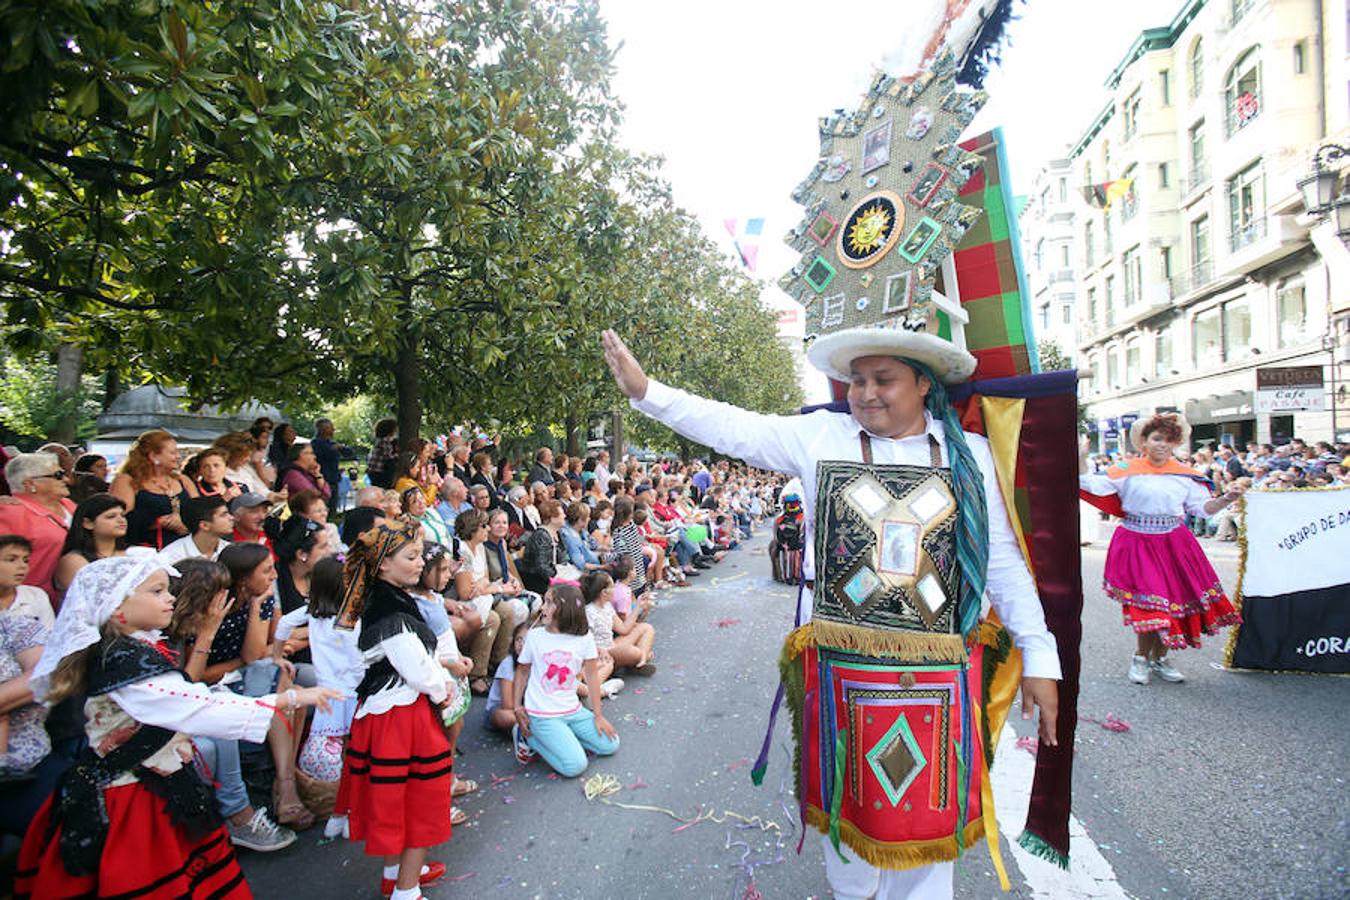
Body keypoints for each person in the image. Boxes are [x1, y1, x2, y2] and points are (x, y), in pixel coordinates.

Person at [603, 326, 1060, 897]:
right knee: (849, 820)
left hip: (938, 677)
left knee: (927, 829)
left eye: (883, 379)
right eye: (856, 380)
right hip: (842, 673)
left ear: (923, 383)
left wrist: (1041, 655)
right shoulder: (822, 436)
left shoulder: (969, 455)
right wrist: (648, 392)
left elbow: (1000, 563)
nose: (865, 392)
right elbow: (734, 427)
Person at [15, 555, 337, 898]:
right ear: (116, 608)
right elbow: (193, 705)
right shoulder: (124, 661)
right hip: (132, 795)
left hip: (157, 780)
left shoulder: (134, 649)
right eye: (156, 591)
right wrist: (289, 700)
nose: (170, 597)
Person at [334, 518, 454, 900]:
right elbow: (415, 667)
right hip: (403, 715)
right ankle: (406, 890)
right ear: (384, 563)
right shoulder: (389, 608)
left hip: (384, 710)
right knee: (420, 800)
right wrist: (443, 688)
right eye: (412, 556)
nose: (420, 563)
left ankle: (396, 872)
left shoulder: (378, 597)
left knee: (394, 797)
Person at [1079, 414, 1245, 684]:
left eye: (1169, 441)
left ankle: (1159, 659)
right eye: (1156, 439)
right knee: (1152, 604)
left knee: (1174, 604)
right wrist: (1082, 456)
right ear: (1144, 441)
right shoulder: (1125, 469)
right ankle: (1141, 658)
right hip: (1138, 542)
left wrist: (1227, 498)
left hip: (1174, 543)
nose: (1162, 445)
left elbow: (1201, 509)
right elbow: (1088, 484)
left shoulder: (1184, 475)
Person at [165, 559, 298, 853]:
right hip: (172, 715)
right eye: (220, 592)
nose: (227, 598)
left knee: (281, 675)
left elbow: (257, 654)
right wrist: (208, 633)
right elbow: (189, 685)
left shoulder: (241, 608)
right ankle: (241, 815)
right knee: (220, 728)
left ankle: (285, 783)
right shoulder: (170, 631)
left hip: (198, 699)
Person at [511, 583, 618, 777]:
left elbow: (592, 676)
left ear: (564, 609)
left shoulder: (584, 638)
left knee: (611, 744)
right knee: (575, 766)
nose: (542, 608)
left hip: (572, 710)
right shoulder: (534, 637)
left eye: (549, 603)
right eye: (544, 602)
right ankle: (529, 737)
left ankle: (563, 738)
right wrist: (517, 706)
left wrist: (598, 715)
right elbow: (521, 671)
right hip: (542, 714)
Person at [406, 542, 474, 826]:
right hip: (439, 676)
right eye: (443, 570)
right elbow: (423, 651)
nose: (449, 575)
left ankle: (448, 776)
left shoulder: (433, 598)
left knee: (454, 728)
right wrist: (450, 664)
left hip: (453, 669)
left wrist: (459, 657)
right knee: (438, 738)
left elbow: (445, 636)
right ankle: (436, 796)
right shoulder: (415, 605)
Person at [452, 509, 517, 695]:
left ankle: (498, 662)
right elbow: (464, 592)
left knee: (506, 610)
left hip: (482, 596)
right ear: (473, 529)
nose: (488, 528)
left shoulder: (480, 548)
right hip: (463, 601)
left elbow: (485, 579)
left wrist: (482, 586)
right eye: (484, 525)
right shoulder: (462, 551)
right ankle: (476, 675)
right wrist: (491, 588)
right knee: (493, 619)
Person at [0, 451, 77, 599]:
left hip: (74, 598)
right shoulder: (10, 512)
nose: (66, 479)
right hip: (29, 603)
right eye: (58, 475)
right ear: (30, 483)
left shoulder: (68, 505)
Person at [110, 430, 198, 550]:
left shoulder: (183, 480)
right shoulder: (126, 481)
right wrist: (157, 522)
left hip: (185, 549)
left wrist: (185, 525)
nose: (178, 456)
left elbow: (200, 513)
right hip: (146, 551)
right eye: (173, 452)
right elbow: (118, 518)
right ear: (153, 456)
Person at [580, 569, 655, 678]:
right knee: (633, 651)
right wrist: (599, 650)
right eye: (612, 587)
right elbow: (583, 640)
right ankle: (641, 658)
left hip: (612, 645)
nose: (615, 589)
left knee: (646, 628)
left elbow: (623, 629)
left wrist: (639, 606)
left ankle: (640, 663)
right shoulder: (589, 612)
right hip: (601, 653)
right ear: (604, 592)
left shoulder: (607, 606)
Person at [159, 495, 234, 565]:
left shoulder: (230, 550)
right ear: (204, 525)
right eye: (223, 515)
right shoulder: (171, 556)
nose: (231, 518)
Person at [0, 534, 53, 627]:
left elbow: (50, 636)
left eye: (26, 560)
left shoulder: (36, 596)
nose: (22, 566)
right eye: (11, 560)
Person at [518, 499, 566, 595]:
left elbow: (561, 558)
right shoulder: (541, 536)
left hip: (553, 575)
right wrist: (558, 579)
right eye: (562, 514)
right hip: (539, 582)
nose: (565, 516)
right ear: (552, 518)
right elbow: (542, 567)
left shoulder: (557, 533)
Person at [310, 419, 345, 511]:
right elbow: (322, 456)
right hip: (323, 479)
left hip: (333, 478)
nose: (333, 430)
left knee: (333, 505)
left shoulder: (331, 443)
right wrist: (332, 450)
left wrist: (340, 448)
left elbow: (349, 453)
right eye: (330, 428)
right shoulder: (316, 443)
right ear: (322, 429)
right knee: (324, 505)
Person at [366, 418, 399, 489]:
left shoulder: (379, 440)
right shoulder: (385, 441)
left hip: (372, 471)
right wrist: (397, 456)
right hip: (379, 471)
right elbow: (388, 456)